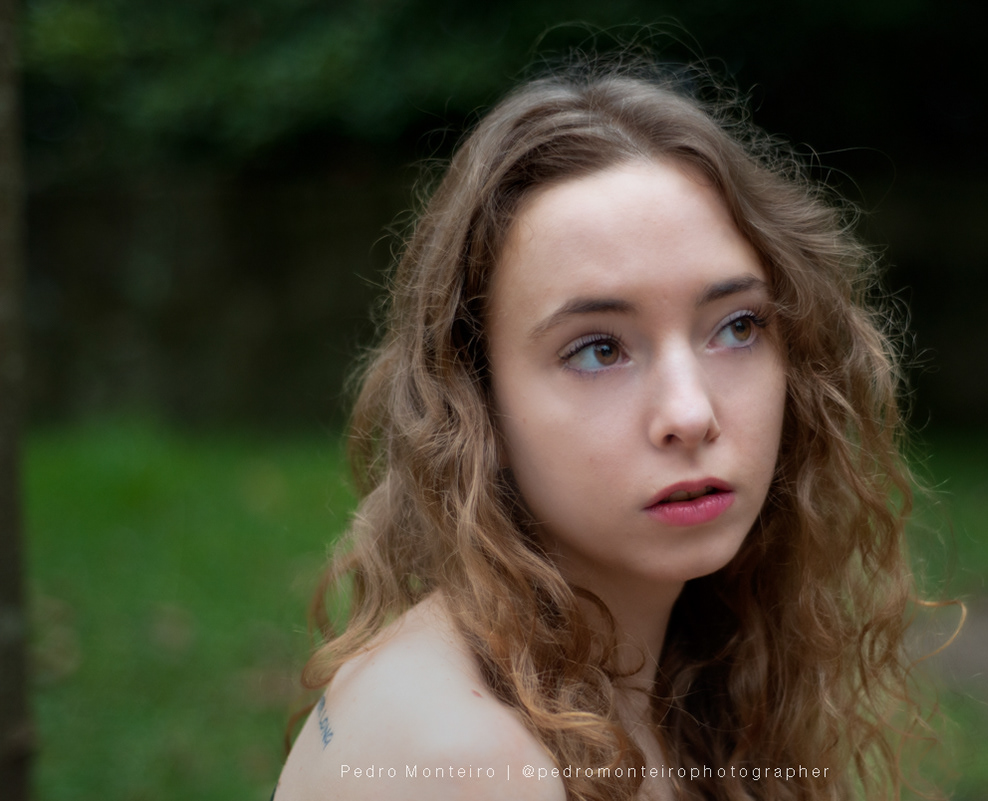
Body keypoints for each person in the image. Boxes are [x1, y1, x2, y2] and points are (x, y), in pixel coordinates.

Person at [274, 57, 934, 801]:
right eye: (598, 349)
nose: (690, 413)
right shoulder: (467, 761)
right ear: (476, 401)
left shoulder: (687, 667)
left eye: (737, 326)